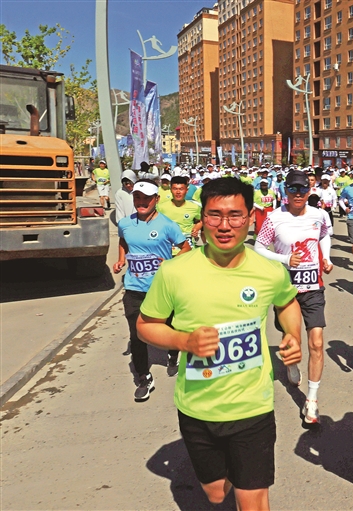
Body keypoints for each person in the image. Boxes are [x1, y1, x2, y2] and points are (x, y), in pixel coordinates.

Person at [137, 177, 302, 510]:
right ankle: (232, 472)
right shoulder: (174, 272)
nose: (224, 226)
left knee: (253, 499)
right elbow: (145, 326)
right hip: (197, 405)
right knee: (215, 493)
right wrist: (184, 340)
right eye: (215, 215)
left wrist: (292, 335)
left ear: (250, 217)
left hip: (252, 405)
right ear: (203, 219)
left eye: (235, 215)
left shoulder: (269, 271)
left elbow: (287, 302)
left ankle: (244, 474)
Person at [255, 171, 333, 424]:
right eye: (292, 189)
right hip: (286, 289)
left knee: (317, 342)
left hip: (313, 288)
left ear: (309, 191)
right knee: (291, 337)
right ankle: (291, 362)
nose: (298, 194)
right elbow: (258, 247)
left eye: (302, 189)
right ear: (285, 191)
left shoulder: (319, 215)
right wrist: (285, 259)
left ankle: (312, 400)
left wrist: (326, 258)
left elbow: (325, 236)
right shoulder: (274, 218)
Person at [113, 180, 190, 400]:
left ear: (156, 199)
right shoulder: (125, 223)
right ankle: (144, 377)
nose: (141, 202)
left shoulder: (167, 225)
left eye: (146, 198)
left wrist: (170, 263)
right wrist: (121, 260)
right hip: (134, 287)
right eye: (137, 197)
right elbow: (123, 241)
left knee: (170, 326)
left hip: (162, 289)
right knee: (137, 334)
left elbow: (185, 248)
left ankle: (173, 353)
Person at [157, 176, 202, 253]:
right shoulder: (160, 207)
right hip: (168, 251)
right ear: (170, 190)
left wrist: (196, 228)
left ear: (186, 190)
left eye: (181, 189)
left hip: (188, 250)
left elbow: (201, 220)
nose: (178, 192)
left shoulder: (195, 207)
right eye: (175, 189)